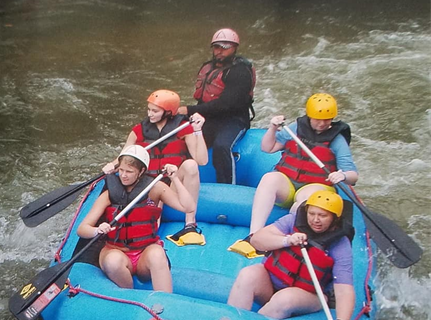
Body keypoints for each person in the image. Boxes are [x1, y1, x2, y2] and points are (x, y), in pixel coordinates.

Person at [229, 93, 358, 258]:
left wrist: (342, 176)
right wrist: (273, 128)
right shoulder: (296, 128)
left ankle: (287, 241)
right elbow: (268, 148)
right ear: (309, 116)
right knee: (269, 179)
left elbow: (353, 176)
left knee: (303, 203)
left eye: (327, 119)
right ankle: (254, 236)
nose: (322, 123)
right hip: (288, 184)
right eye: (318, 119)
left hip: (316, 185)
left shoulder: (337, 139)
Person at [227, 190, 355, 320]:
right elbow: (257, 240)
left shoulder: (340, 244)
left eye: (322, 216)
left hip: (308, 296)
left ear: (334, 218)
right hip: (272, 284)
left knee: (284, 298)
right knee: (247, 274)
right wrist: (287, 240)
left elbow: (344, 289)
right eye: (312, 214)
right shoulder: (293, 220)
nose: (315, 220)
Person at [78, 145, 195, 291]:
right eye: (121, 170)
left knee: (158, 255)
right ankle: (129, 296)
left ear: (141, 172)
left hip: (144, 253)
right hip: (116, 252)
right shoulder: (110, 194)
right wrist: (97, 230)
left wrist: (175, 179)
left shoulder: (154, 188)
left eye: (129, 171)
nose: (123, 175)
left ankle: (165, 303)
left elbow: (188, 207)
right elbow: (82, 229)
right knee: (112, 261)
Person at [103, 90, 208, 246]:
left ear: (168, 112)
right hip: (150, 184)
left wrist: (198, 130)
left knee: (191, 165)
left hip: (172, 179)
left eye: (155, 111)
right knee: (153, 224)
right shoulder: (139, 130)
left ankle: (190, 224)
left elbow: (202, 160)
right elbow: (123, 157)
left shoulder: (183, 128)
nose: (150, 114)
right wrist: (112, 165)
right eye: (149, 109)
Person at [177, 28, 256, 184]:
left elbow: (227, 104)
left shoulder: (240, 72)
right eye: (217, 47)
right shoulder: (208, 67)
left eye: (225, 48)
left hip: (233, 119)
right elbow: (203, 102)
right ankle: (177, 182)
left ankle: (227, 187)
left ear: (234, 48)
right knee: (182, 141)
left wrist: (189, 110)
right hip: (208, 118)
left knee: (221, 146)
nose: (220, 51)